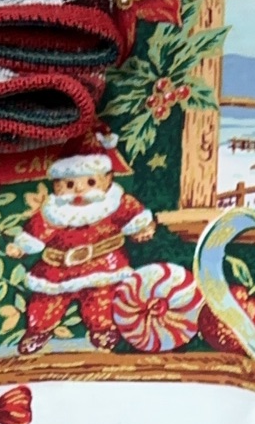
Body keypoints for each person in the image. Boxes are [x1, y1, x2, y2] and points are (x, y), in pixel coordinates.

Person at [14, 149, 156, 352]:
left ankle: (103, 329)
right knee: (46, 300)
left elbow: (134, 217)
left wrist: (143, 228)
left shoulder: (115, 203)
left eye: (90, 182)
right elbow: (37, 231)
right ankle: (38, 330)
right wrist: (22, 246)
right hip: (58, 268)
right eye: (69, 185)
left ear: (108, 179)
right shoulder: (53, 212)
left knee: (102, 297)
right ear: (56, 185)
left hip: (102, 264)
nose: (79, 191)